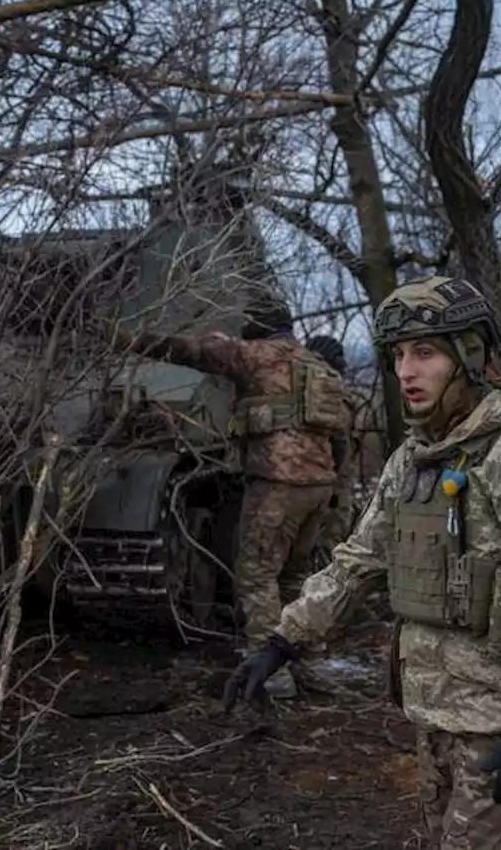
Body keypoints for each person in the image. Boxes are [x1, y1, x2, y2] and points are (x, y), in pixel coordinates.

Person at [223, 275, 501, 848]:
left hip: (499, 731)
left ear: (471, 355)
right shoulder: (414, 459)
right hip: (432, 720)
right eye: (398, 355)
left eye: (425, 353)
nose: (406, 370)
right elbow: (357, 561)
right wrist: (281, 640)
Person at [111, 286, 348, 697]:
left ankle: (269, 669)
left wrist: (127, 339)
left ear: (256, 326)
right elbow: (340, 437)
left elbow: (191, 352)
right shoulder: (319, 366)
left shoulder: (255, 355)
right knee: (296, 579)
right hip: (318, 486)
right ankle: (309, 663)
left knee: (257, 576)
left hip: (277, 483)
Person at [304, 334, 366, 561]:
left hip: (331, 495)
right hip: (330, 494)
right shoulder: (337, 399)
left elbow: (341, 448)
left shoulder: (329, 400)